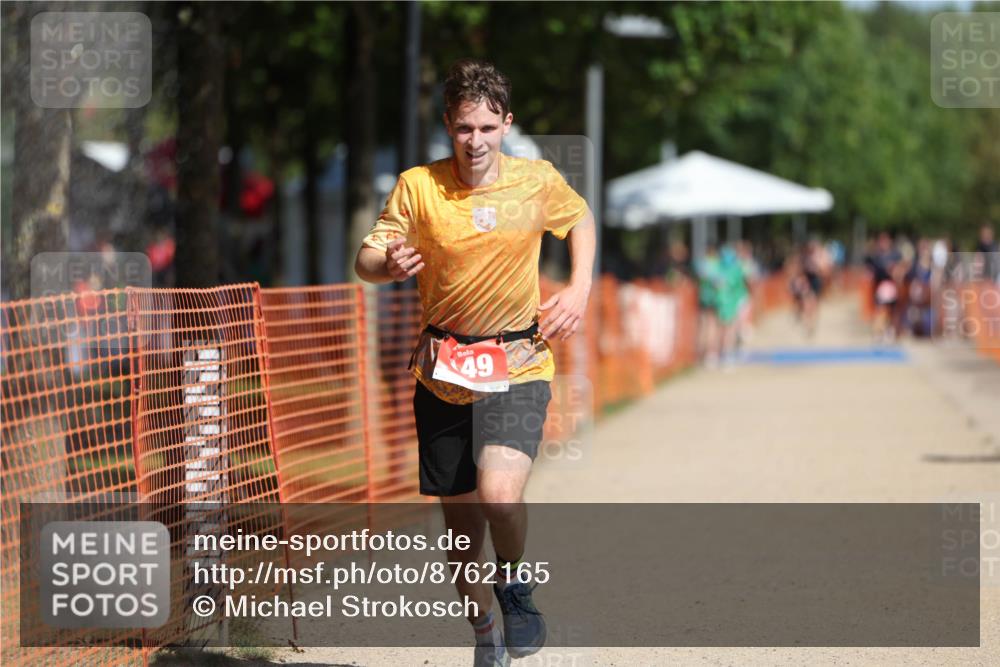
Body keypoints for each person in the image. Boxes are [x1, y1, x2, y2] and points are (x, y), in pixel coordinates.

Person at [354, 59, 595, 667]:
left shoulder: (536, 181)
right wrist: (389, 266)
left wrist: (581, 286)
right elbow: (367, 258)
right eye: (464, 128)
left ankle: (513, 586)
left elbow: (582, 220)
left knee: (501, 497)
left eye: (488, 128)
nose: (476, 141)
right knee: (462, 537)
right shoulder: (418, 186)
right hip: (443, 366)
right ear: (448, 126)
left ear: (506, 125)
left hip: (517, 359)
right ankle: (485, 631)